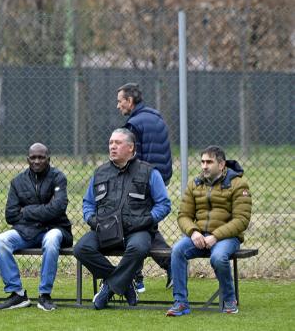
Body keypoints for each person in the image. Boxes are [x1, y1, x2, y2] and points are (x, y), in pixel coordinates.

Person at [74, 128, 171, 310]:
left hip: (137, 230)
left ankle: (108, 289)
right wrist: (92, 220)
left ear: (130, 147)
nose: (112, 147)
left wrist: (148, 219)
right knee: (81, 248)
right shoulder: (99, 173)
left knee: (139, 247)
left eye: (117, 143)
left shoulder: (149, 172)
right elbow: (88, 203)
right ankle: (125, 284)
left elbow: (164, 204)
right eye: (111, 143)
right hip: (104, 229)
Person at [166, 146, 251, 316]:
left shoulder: (238, 184)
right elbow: (183, 215)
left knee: (219, 257)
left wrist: (215, 236)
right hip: (199, 236)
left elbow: (241, 220)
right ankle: (180, 303)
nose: (204, 166)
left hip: (228, 238)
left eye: (209, 162)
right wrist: (193, 232)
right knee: (177, 250)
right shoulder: (194, 184)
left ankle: (229, 299)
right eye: (202, 162)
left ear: (221, 165)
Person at [0, 143, 73, 311]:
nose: (37, 161)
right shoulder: (17, 182)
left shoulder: (58, 177)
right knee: (1, 240)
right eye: (33, 157)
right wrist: (45, 209)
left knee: (52, 240)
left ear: (48, 159)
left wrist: (27, 210)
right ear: (27, 159)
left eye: (41, 157)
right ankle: (17, 294)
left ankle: (44, 295)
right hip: (27, 232)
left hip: (55, 229)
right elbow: (11, 215)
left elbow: (58, 208)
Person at [117, 82, 173, 292]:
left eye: (120, 101)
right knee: (142, 227)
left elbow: (132, 158)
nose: (118, 106)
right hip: (160, 177)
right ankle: (139, 276)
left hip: (143, 181)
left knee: (138, 227)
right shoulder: (155, 117)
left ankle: (146, 274)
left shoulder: (133, 125)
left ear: (130, 101)